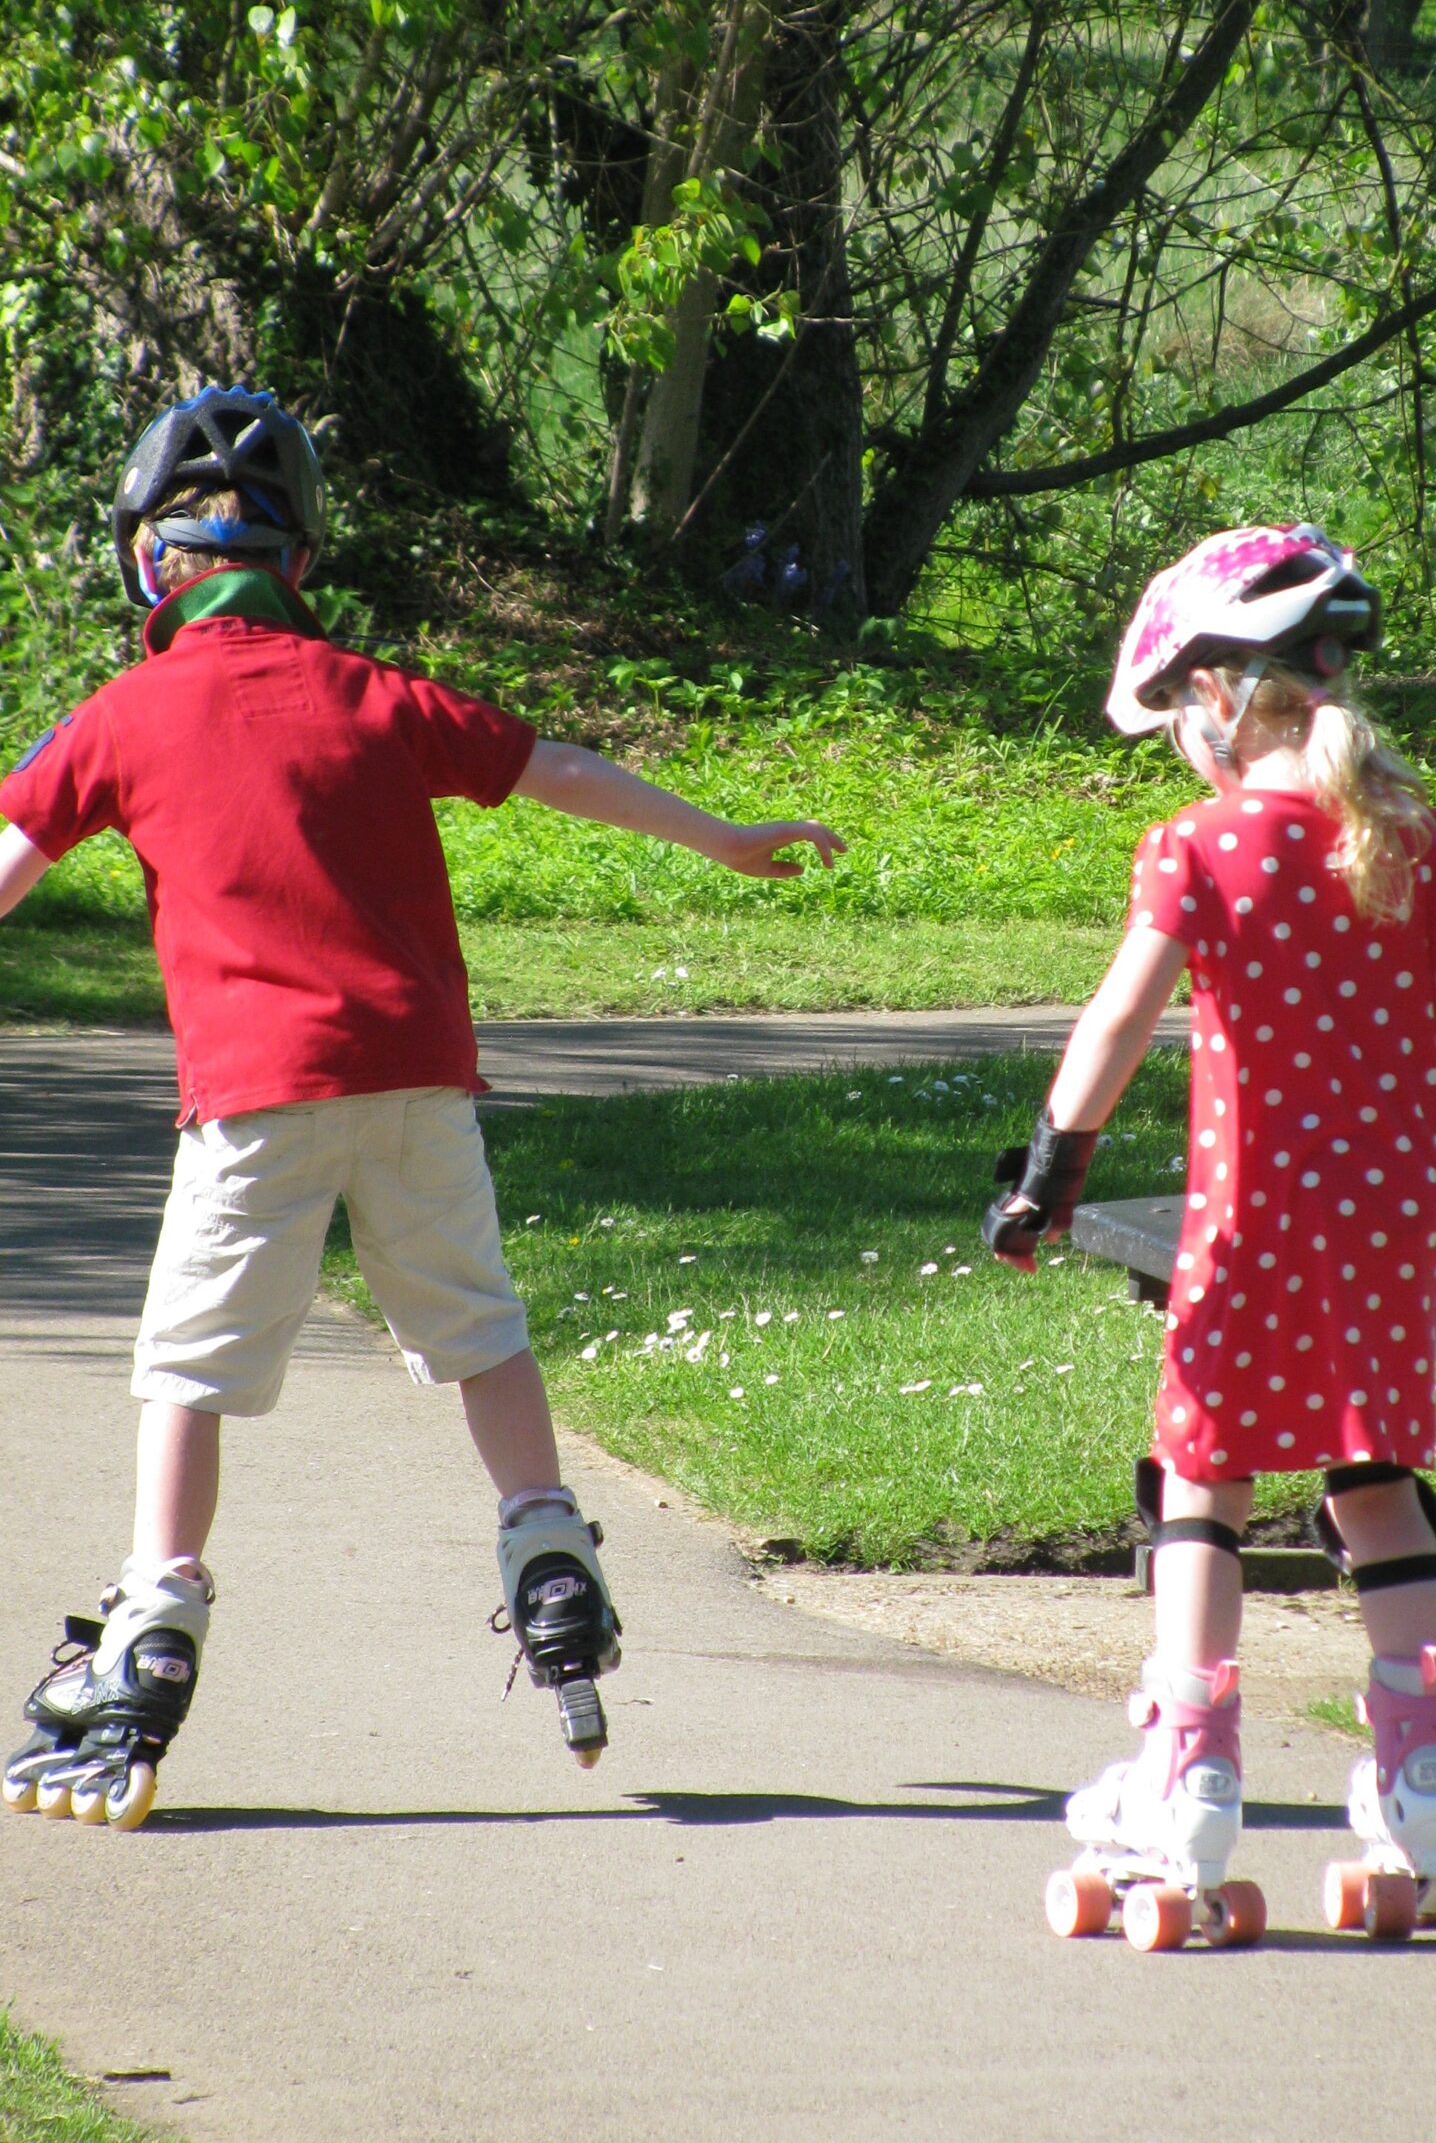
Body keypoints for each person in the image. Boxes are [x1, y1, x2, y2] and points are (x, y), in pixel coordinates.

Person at [1, 385, 843, 1829]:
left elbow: (8, 855)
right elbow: (557, 771)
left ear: (151, 563)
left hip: (255, 1103)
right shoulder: (377, 697)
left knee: (187, 1373)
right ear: (305, 565)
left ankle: (157, 1614)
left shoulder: (122, 717)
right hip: (417, 1085)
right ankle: (547, 1551)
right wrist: (718, 836)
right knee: (478, 1331)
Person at [983, 524, 1436, 1947]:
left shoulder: (1200, 845)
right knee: (1375, 1481)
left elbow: (1120, 1019)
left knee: (1209, 1481)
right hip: (1387, 1233)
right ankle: (1430, 1790)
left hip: (1246, 1225)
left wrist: (1050, 1171)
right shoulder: (1414, 833)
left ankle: (1188, 1788)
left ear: (1212, 701)